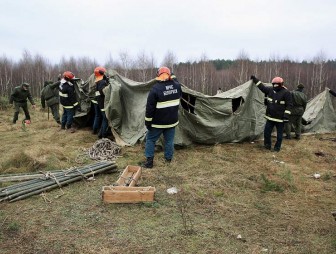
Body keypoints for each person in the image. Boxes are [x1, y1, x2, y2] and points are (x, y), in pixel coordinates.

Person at [141, 66, 182, 168]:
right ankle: (168, 159)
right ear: (170, 75)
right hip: (172, 122)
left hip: (157, 123)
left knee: (150, 140)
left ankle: (149, 162)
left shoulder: (155, 89)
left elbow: (149, 108)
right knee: (169, 141)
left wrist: (148, 123)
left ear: (158, 76)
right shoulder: (177, 86)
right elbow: (176, 82)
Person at [251, 75, 292, 152]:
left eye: (277, 84)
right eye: (274, 84)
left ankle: (277, 148)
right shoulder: (270, 90)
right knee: (266, 132)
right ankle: (267, 145)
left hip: (280, 119)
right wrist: (255, 80)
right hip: (270, 117)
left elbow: (289, 105)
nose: (275, 86)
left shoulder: (286, 93)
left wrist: (286, 116)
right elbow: (262, 87)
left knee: (279, 135)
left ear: (281, 84)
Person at [93, 66, 109, 139]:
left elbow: (98, 93)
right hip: (103, 103)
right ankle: (104, 135)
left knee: (103, 118)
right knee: (105, 119)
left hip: (99, 102)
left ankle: (100, 134)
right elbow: (103, 92)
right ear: (102, 72)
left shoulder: (97, 81)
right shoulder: (102, 82)